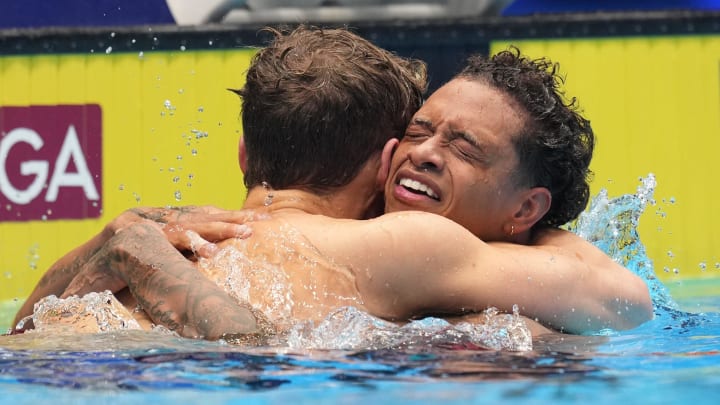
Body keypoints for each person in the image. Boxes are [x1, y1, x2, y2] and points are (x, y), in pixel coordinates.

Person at [12, 27, 653, 340]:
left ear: (242, 155)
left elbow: (24, 343)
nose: (424, 155)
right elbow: (628, 302)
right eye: (418, 133)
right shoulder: (406, 246)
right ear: (383, 164)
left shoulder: (154, 233)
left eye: (461, 148)